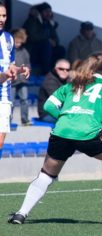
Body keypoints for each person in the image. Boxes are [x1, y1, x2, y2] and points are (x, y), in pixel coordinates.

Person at [8, 52, 102, 225]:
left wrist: (65, 118)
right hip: (89, 133)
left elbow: (49, 105)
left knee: (47, 174)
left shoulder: (72, 84)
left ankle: (21, 213)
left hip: (62, 131)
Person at [0, 2, 30, 160]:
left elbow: (9, 65)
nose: (1, 19)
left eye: (4, 15)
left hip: (4, 96)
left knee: (0, 142)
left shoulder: (8, 39)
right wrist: (4, 75)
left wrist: (19, 69)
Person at [23, 2, 65, 75]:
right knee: (46, 44)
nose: (48, 14)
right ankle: (46, 72)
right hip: (32, 50)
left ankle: (56, 71)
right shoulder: (32, 21)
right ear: (40, 12)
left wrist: (54, 42)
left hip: (45, 50)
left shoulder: (49, 23)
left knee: (60, 49)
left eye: (50, 11)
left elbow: (56, 38)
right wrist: (47, 39)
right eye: (46, 11)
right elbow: (32, 37)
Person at [10, 28, 31, 126]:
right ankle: (7, 120)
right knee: (11, 101)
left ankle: (25, 119)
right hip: (11, 81)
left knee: (25, 99)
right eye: (17, 42)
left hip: (22, 80)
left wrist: (27, 72)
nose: (18, 44)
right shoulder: (8, 51)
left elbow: (27, 63)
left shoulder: (24, 51)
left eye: (20, 42)